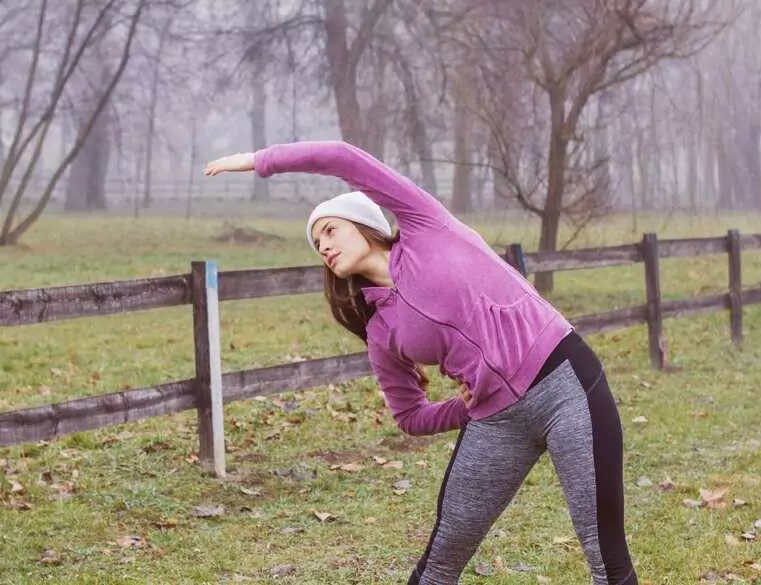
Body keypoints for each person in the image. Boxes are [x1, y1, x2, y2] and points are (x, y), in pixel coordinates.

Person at [204, 140, 638, 585]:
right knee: (437, 569)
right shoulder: (380, 330)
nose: (324, 247)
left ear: (363, 223)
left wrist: (258, 162)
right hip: (494, 422)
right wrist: (462, 408)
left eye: (330, 230)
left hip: (563, 382)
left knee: (605, 556)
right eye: (317, 244)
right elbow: (409, 415)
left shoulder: (426, 225)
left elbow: (340, 156)